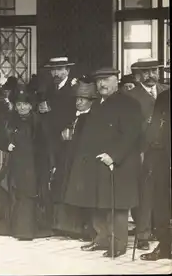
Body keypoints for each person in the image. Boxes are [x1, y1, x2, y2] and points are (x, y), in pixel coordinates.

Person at [63, 67, 142, 258]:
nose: (102, 84)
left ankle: (118, 244)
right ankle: (101, 238)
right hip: (97, 161)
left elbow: (132, 135)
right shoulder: (98, 104)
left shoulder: (129, 103)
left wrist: (113, 156)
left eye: (106, 80)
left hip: (118, 162)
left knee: (117, 204)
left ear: (117, 81)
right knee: (98, 201)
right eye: (99, 81)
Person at [0, 86, 53, 240]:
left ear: (30, 105)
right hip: (14, 163)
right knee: (13, 192)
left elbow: (44, 144)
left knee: (30, 195)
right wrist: (6, 145)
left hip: (33, 164)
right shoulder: (9, 120)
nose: (22, 107)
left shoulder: (37, 120)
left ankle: (27, 230)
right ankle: (13, 229)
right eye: (19, 104)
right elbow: (0, 139)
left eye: (25, 104)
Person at [126, 59, 169, 251]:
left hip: (166, 149)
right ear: (138, 75)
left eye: (154, 71)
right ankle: (142, 234)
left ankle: (163, 233)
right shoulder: (131, 96)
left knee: (164, 192)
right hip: (145, 151)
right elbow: (129, 128)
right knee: (145, 193)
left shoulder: (165, 90)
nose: (151, 75)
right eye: (146, 72)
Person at [51, 80, 99, 241]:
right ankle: (70, 228)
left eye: (82, 99)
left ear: (90, 101)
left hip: (83, 162)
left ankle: (85, 229)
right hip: (69, 160)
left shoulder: (92, 117)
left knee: (82, 194)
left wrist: (72, 138)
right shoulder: (74, 116)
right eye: (77, 99)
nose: (78, 102)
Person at [37, 57, 78, 233]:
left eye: (60, 69)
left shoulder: (75, 89)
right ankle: (56, 222)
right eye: (53, 70)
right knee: (55, 179)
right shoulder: (50, 89)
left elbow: (77, 113)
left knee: (66, 178)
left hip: (68, 141)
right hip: (52, 141)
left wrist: (68, 127)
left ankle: (69, 225)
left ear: (67, 71)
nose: (56, 73)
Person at [140, 65, 171, 261]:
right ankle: (165, 246)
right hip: (163, 157)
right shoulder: (164, 97)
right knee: (161, 203)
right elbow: (154, 130)